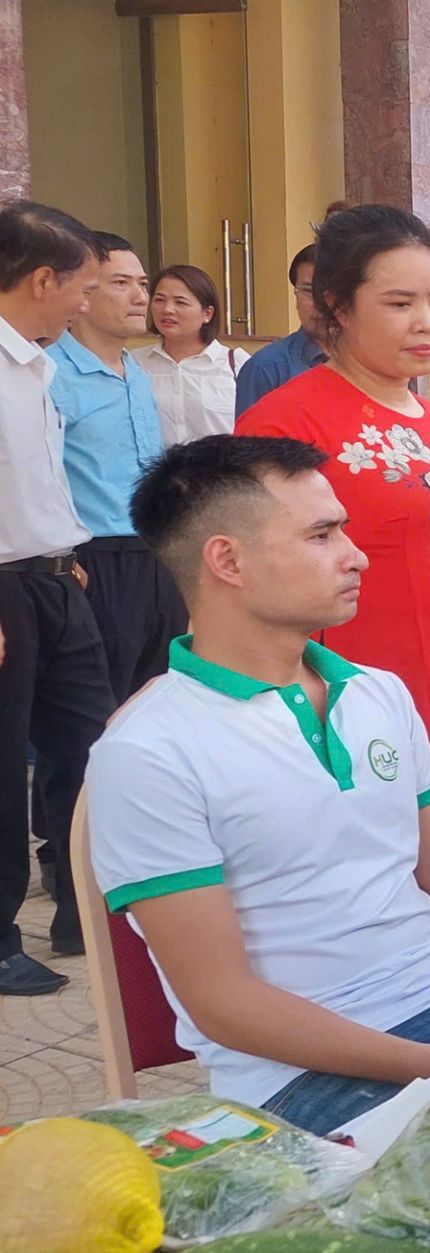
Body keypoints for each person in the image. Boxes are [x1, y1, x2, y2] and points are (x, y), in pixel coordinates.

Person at [88, 434, 430, 1134]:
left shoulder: (377, 694)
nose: (355, 555)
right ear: (227, 560)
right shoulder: (149, 751)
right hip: (310, 1084)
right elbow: (223, 1003)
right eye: (323, 535)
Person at [237, 204, 430, 885]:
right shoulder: (284, 420)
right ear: (338, 306)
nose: (428, 322)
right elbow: (250, 579)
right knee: (388, 876)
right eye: (399, 303)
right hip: (357, 682)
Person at [0, 202, 113, 995]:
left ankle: (83, 908)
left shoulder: (37, 364)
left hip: (54, 578)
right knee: (5, 768)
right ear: (43, 278)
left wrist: (63, 553)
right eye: (81, 285)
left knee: (89, 748)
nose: (86, 302)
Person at [49, 233, 186, 703]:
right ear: (83, 294)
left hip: (154, 553)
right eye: (121, 283)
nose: (140, 297)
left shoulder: (138, 371)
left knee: (154, 705)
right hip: (92, 559)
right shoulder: (50, 374)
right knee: (88, 718)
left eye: (142, 282)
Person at [138, 263, 250, 444]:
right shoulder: (134, 363)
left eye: (180, 302)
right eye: (159, 300)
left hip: (222, 470)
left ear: (207, 313)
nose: (167, 309)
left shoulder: (237, 364)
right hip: (159, 471)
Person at [233, 243, 326, 418]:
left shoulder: (375, 361)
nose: (319, 303)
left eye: (331, 291)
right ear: (295, 295)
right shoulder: (265, 368)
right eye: (308, 291)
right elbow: (250, 443)